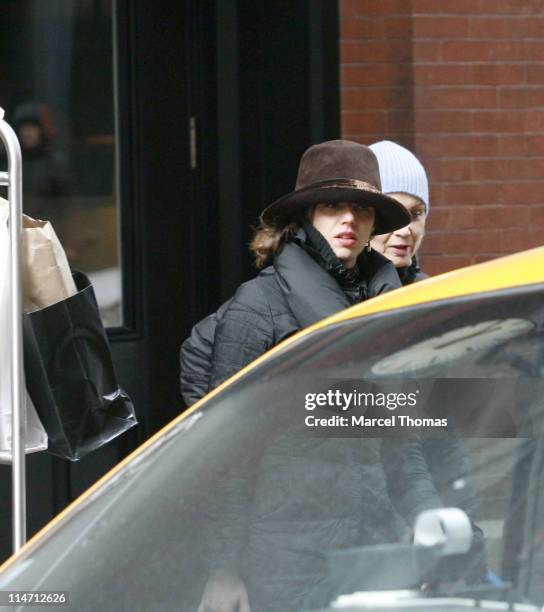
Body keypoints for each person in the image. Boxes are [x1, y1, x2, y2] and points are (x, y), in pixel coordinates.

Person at [193, 140, 412, 612]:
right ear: (307, 216)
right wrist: (224, 568)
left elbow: (405, 437)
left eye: (361, 209)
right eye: (333, 206)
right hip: (286, 558)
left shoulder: (390, 305)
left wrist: (431, 518)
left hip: (376, 546)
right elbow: (225, 450)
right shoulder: (258, 308)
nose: (349, 220)